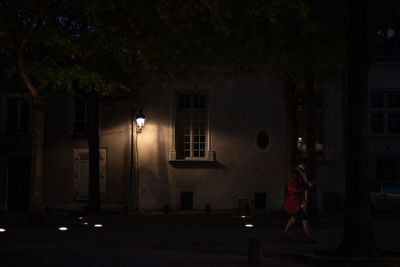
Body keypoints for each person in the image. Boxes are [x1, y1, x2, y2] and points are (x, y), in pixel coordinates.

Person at [281, 158, 318, 244]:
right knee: (304, 218)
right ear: (301, 164)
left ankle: (284, 234)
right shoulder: (296, 175)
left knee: (294, 218)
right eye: (305, 165)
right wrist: (307, 186)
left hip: (299, 200)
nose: (306, 166)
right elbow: (293, 188)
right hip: (297, 201)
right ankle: (309, 237)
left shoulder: (300, 174)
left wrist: (307, 185)